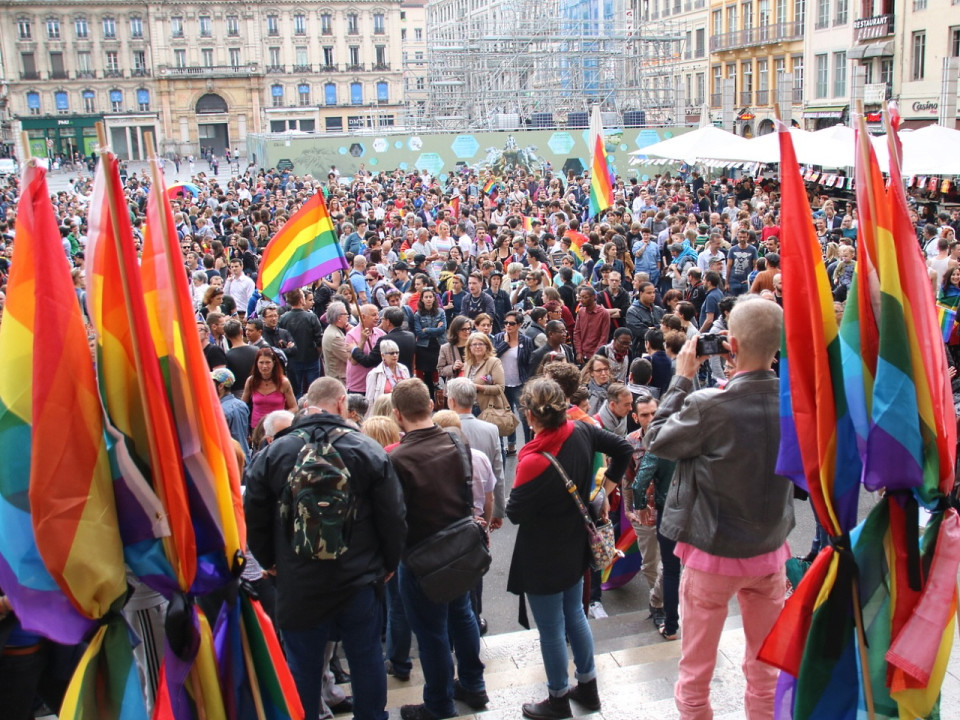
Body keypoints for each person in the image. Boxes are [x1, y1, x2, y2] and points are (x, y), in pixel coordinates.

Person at [645, 296, 795, 720]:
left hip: (713, 553)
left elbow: (657, 440)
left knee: (695, 672)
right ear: (777, 347)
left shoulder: (709, 404)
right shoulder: (797, 402)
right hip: (769, 551)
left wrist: (680, 381)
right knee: (765, 669)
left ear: (730, 343)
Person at [245, 377, 407, 720]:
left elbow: (254, 511)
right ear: (342, 402)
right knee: (366, 659)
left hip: (298, 577)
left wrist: (270, 562)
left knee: (302, 664)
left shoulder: (276, 451)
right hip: (358, 575)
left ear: (306, 405)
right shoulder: (365, 448)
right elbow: (393, 515)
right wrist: (388, 563)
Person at [506, 378, 632, 720]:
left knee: (550, 628)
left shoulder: (533, 460)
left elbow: (515, 512)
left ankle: (558, 697)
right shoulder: (582, 430)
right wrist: (603, 491)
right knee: (575, 614)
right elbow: (623, 449)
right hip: (576, 542)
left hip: (543, 553)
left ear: (531, 417)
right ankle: (588, 687)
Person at [389, 379, 489, 720]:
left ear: (397, 415)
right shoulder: (455, 439)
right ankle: (474, 686)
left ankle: (438, 704)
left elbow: (395, 516)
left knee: (432, 634)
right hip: (459, 548)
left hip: (421, 558)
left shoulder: (399, 457)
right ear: (433, 405)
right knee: (463, 616)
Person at [491, 310, 534, 454]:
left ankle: (529, 445)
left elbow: (529, 363)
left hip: (520, 383)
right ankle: (511, 444)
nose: (508, 326)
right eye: (505, 323)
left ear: (519, 325)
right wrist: (505, 343)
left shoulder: (526, 341)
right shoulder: (498, 338)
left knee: (524, 416)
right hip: (502, 385)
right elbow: (493, 357)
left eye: (512, 323)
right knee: (506, 416)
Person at [278, 288, 324, 397]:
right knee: (314, 391)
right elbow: (319, 339)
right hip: (311, 358)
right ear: (301, 300)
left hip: (293, 360)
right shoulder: (311, 317)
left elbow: (280, 339)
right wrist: (318, 353)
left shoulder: (284, 318)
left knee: (296, 391)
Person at [241, 347, 298, 431]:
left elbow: (294, 407)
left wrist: (281, 417)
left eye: (268, 362)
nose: (264, 366)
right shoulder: (251, 381)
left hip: (277, 427)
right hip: (256, 428)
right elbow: (243, 405)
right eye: (261, 362)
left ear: (274, 363)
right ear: (256, 364)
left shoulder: (283, 382)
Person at [413, 287, 447, 400]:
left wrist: (426, 330)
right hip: (424, 347)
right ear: (422, 299)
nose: (428, 299)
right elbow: (418, 332)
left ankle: (445, 398)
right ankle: (430, 399)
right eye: (426, 297)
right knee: (427, 374)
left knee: (442, 371)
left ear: (434, 299)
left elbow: (443, 329)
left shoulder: (441, 312)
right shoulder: (417, 314)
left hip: (438, 345)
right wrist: (435, 329)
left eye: (430, 297)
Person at [460, 332, 506, 415]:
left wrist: (477, 387)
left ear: (487, 346)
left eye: (481, 344)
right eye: (474, 344)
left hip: (487, 409)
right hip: (469, 408)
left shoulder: (494, 362)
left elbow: (500, 388)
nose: (477, 347)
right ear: (469, 347)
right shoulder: (467, 363)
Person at [364, 339, 411, 415]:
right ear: (383, 355)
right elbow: (369, 400)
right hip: (384, 413)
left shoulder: (404, 369)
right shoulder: (374, 374)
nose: (395, 355)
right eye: (391, 353)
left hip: (403, 412)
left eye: (397, 352)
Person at [211, 368, 250, 459]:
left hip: (229, 458)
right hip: (244, 458)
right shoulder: (242, 405)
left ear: (220, 386)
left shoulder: (219, 411)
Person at [573, 285, 610, 363]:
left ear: (593, 297)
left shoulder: (603, 313)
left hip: (596, 354)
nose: (582, 300)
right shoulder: (581, 311)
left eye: (585, 297)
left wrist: (596, 355)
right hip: (583, 354)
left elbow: (604, 337)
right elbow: (577, 332)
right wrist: (579, 351)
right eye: (581, 297)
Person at [321, 301, 350, 386]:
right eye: (345, 314)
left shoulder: (334, 330)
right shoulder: (335, 336)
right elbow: (349, 358)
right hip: (339, 380)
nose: (348, 316)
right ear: (339, 318)